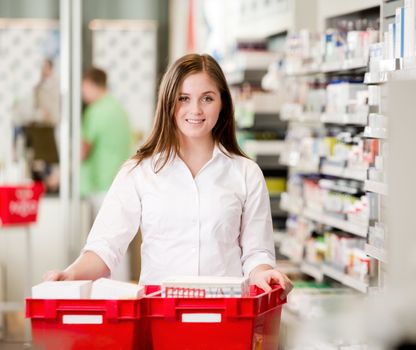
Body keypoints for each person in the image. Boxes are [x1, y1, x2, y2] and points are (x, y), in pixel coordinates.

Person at [45, 54, 293, 295]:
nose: (195, 109)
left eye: (207, 98)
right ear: (167, 103)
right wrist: (71, 274)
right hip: (160, 315)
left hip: (225, 315)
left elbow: (257, 252)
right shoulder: (139, 172)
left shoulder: (246, 173)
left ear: (223, 104)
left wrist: (261, 272)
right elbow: (105, 247)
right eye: (183, 98)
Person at [80, 67, 132, 209]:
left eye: (83, 88)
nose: (82, 94)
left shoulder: (95, 110)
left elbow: (83, 152)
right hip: (119, 181)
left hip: (100, 184)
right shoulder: (118, 108)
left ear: (90, 84)